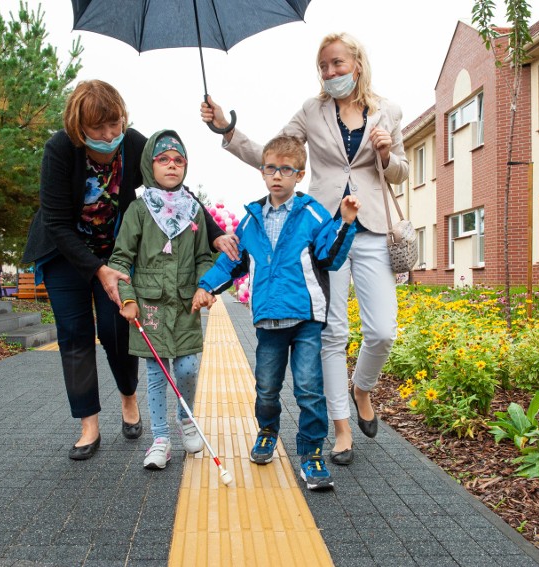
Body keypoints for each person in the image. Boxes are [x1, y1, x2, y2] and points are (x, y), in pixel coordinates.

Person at [201, 32, 409, 465]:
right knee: (331, 332)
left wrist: (387, 156)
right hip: (321, 231)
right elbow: (273, 153)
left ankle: (362, 388)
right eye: (323, 66)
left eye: (337, 64)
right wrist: (227, 129)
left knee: (383, 330)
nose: (330, 73)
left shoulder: (388, 111)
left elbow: (401, 173)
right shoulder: (311, 111)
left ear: (357, 61)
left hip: (368, 227)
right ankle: (340, 428)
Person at [21, 80, 237, 460]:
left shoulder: (134, 144)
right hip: (65, 252)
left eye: (115, 124)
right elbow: (55, 222)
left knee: (116, 329)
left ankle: (129, 398)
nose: (109, 135)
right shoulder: (59, 150)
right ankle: (88, 425)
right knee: (75, 334)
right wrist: (95, 269)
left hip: (117, 252)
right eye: (98, 129)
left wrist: (216, 234)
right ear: (79, 128)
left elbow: (176, 195)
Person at [193, 136, 360, 490]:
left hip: (305, 320)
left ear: (299, 175)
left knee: (309, 389)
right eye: (271, 168)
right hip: (268, 320)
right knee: (267, 387)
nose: (278, 176)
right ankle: (267, 431)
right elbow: (232, 261)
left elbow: (330, 257)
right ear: (262, 172)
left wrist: (345, 222)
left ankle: (311, 454)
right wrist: (207, 286)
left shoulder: (312, 213)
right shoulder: (252, 220)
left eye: (287, 169)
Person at [109, 130, 213, 470]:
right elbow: (121, 259)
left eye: (179, 160)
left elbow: (204, 258)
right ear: (149, 164)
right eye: (163, 159)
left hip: (185, 305)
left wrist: (204, 285)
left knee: (187, 368)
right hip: (149, 306)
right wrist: (127, 297)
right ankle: (160, 439)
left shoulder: (194, 211)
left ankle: (186, 418)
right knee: (155, 375)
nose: (172, 165)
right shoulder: (139, 210)